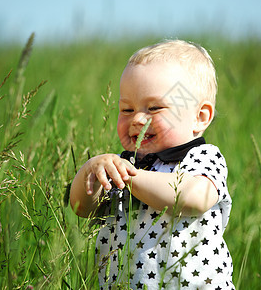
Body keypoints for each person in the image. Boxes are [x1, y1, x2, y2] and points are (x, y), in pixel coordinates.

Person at [70, 39, 234, 289]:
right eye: (126, 109)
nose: (137, 119)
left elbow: (194, 197)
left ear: (199, 117)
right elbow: (82, 207)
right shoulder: (122, 165)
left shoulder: (202, 158)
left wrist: (131, 178)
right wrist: (91, 169)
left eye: (154, 108)